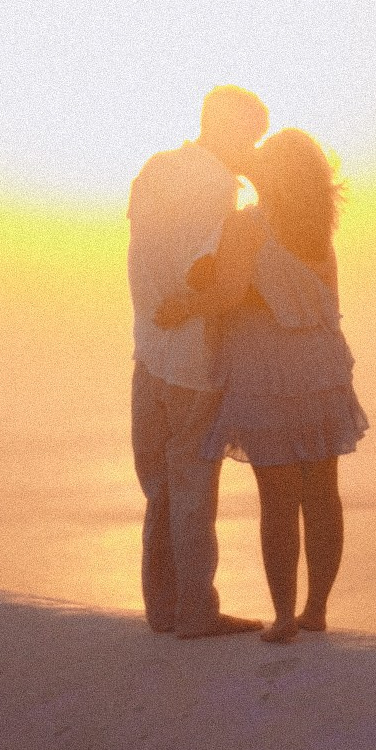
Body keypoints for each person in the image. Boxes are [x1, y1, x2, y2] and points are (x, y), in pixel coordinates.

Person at [157, 126, 367, 644]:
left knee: (278, 499)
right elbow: (315, 302)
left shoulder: (246, 227)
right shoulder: (321, 236)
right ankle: (315, 610)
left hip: (268, 372)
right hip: (321, 370)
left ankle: (282, 617)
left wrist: (186, 302)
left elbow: (229, 297)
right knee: (323, 495)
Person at [126, 86, 267, 639]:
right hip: (192, 360)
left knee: (159, 489)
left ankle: (162, 609)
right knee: (192, 489)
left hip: (147, 354)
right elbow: (208, 272)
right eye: (249, 136)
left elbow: (146, 258)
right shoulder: (217, 187)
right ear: (228, 127)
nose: (250, 149)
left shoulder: (156, 169)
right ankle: (196, 611)